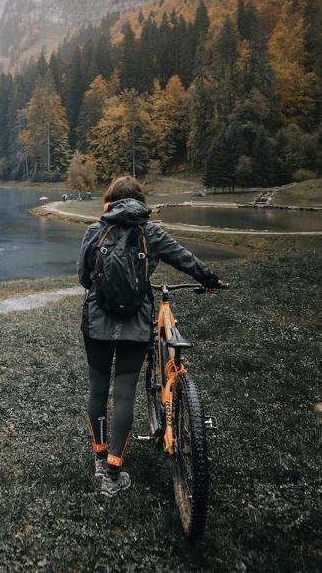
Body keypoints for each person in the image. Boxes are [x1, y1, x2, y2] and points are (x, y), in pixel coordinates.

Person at [77, 174, 223, 497]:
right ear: (140, 202)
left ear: (110, 200)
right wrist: (209, 278)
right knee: (125, 394)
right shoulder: (150, 232)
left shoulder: (95, 230)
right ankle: (113, 474)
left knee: (99, 389)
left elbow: (84, 278)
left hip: (96, 323)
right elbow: (184, 258)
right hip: (135, 323)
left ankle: (100, 457)